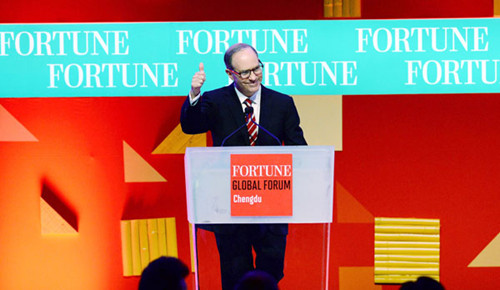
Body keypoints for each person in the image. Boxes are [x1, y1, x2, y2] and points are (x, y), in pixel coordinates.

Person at [180, 43, 307, 290]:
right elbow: (191, 126)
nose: (254, 76)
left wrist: (303, 167)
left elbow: (297, 148)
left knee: (271, 274)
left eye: (257, 68)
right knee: (234, 275)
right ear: (230, 74)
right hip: (230, 207)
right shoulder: (215, 100)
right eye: (245, 72)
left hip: (272, 205)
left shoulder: (282, 103)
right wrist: (195, 93)